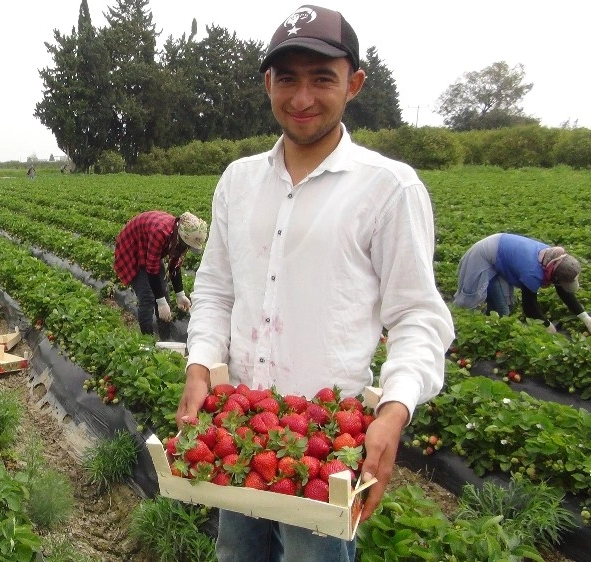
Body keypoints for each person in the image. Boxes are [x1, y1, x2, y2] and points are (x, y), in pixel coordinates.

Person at [174, 6, 455, 561]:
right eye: (288, 78)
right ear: (267, 84)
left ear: (354, 83)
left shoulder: (389, 188)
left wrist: (394, 413)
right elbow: (214, 292)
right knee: (236, 555)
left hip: (326, 447)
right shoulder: (238, 180)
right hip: (243, 427)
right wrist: (200, 365)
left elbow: (418, 316)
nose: (302, 97)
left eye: (322, 78)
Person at [453, 233, 591, 333]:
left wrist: (585, 317)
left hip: (500, 250)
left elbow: (563, 290)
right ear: (554, 276)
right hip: (484, 256)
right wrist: (547, 326)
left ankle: (486, 323)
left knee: (507, 305)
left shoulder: (554, 259)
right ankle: (467, 327)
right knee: (502, 310)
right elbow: (529, 306)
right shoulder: (532, 272)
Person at [113, 210, 208, 340]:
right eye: (187, 245)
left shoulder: (179, 238)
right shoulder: (160, 232)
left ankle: (165, 339)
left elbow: (175, 265)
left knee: (164, 293)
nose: (187, 248)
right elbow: (152, 270)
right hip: (133, 246)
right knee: (147, 297)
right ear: (182, 237)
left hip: (149, 244)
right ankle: (147, 340)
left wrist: (180, 295)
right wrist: (160, 302)